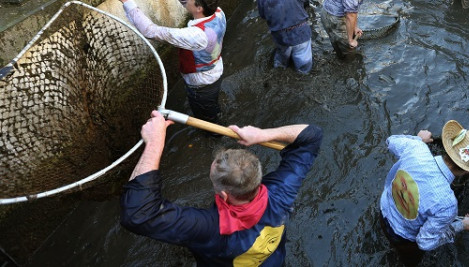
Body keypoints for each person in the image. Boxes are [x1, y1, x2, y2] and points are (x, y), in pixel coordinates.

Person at [120, 111, 322, 265]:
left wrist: (154, 143)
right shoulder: (281, 191)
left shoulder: (209, 228)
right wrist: (262, 135)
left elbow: (138, 213)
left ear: (224, 195)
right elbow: (312, 135)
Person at [107, 0, 226, 123]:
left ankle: (214, 134)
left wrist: (127, 0)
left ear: (199, 8)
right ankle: (214, 113)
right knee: (211, 106)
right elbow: (189, 1)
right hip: (215, 70)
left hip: (202, 84)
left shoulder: (195, 35)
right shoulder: (217, 12)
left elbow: (151, 31)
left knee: (206, 117)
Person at [379, 120, 469, 266]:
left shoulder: (416, 148)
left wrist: (419, 140)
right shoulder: (448, 204)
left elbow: (391, 141)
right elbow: (424, 243)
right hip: (402, 237)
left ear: (448, 146)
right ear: (468, 170)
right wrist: (461, 225)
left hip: (384, 210)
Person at [256, 0, 313, 74]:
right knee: (304, 69)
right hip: (301, 35)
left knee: (281, 63)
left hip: (280, 37)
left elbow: (263, 15)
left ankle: (279, 71)